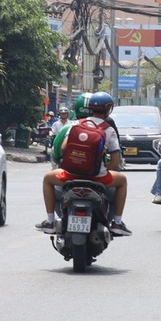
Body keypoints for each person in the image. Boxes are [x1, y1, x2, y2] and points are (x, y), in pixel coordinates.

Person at [39, 92, 131, 237]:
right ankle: (118, 223)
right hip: (98, 178)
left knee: (47, 179)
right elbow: (115, 161)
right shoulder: (109, 129)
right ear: (108, 109)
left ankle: (50, 221)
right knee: (123, 181)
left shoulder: (75, 124)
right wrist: (101, 169)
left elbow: (63, 148)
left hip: (71, 175)